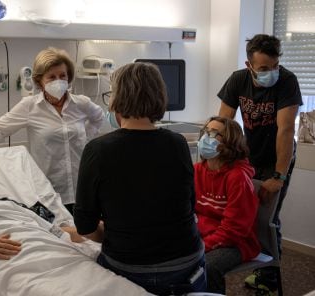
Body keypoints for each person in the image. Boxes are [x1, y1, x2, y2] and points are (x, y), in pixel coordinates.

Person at [74, 62, 206, 296]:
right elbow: (187, 205)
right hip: (186, 265)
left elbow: (85, 228)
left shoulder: (98, 150)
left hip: (130, 269)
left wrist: (116, 230)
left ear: (116, 100)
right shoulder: (178, 144)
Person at [0, 47, 105, 213]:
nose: (58, 81)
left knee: (86, 233)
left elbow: (98, 117)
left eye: (62, 76)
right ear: (39, 81)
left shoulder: (81, 103)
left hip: (81, 184)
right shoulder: (30, 107)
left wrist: (85, 139)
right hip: (48, 187)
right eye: (51, 77)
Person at [217, 34, 303, 294]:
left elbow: (286, 130)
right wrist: (221, 161)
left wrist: (279, 175)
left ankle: (269, 276)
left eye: (275, 66)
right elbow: (224, 124)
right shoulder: (237, 80)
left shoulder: (287, 81)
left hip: (279, 157)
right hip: (248, 157)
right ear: (249, 65)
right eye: (264, 69)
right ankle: (257, 266)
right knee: (247, 214)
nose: (272, 72)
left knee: (268, 219)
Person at [194, 116, 260, 294]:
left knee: (207, 266)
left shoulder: (237, 178)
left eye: (214, 134)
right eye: (205, 132)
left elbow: (234, 230)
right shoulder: (196, 170)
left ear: (230, 141)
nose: (205, 138)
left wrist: (201, 246)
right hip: (202, 235)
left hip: (235, 243)